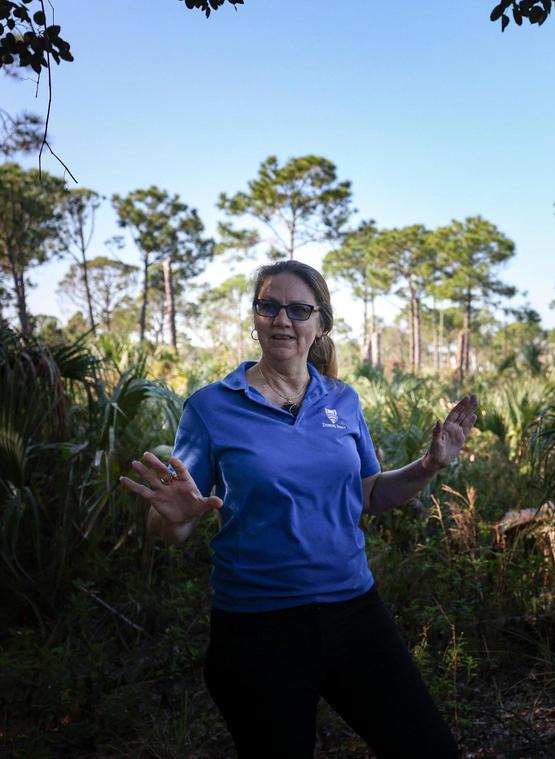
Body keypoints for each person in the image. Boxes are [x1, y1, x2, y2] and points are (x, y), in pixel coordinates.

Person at [120, 260, 471, 758]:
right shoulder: (211, 407)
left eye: (299, 309)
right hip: (259, 627)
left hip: (354, 611)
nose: (282, 319)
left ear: (320, 323)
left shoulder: (343, 401)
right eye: (269, 306)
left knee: (428, 748)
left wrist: (428, 466)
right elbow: (170, 526)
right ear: (256, 318)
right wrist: (176, 518)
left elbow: (370, 496)